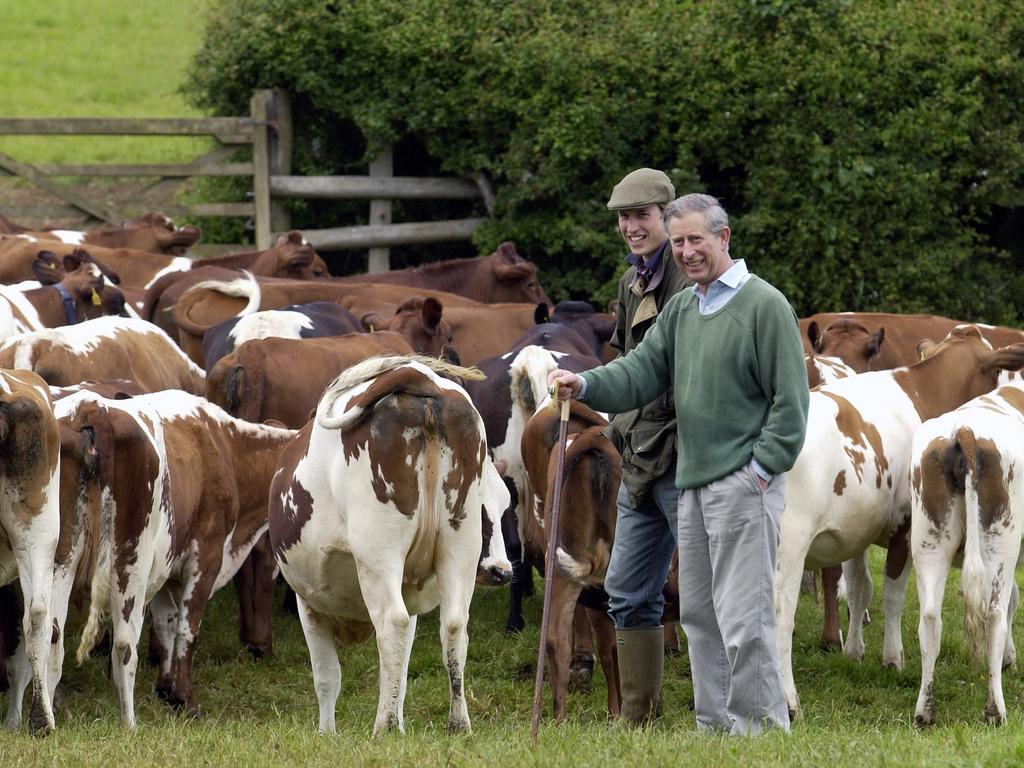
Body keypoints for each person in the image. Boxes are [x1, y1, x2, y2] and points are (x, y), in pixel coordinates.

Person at [549, 193, 809, 735]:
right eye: (682, 241)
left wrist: (761, 469)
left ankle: (760, 731)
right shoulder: (684, 308)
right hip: (690, 481)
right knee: (699, 616)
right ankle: (715, 727)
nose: (689, 252)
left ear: (724, 238)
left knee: (745, 614)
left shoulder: (765, 305)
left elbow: (791, 403)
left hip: (743, 482)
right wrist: (587, 383)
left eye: (698, 240)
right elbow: (641, 370)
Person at [596, 168, 689, 725]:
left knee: (703, 597)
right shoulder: (633, 282)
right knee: (627, 590)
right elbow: (623, 363)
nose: (631, 227)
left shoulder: (689, 278)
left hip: (684, 457)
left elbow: (669, 374)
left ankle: (726, 713)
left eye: (642, 216)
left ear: (667, 217)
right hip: (639, 460)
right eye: (623, 219)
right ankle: (640, 718)